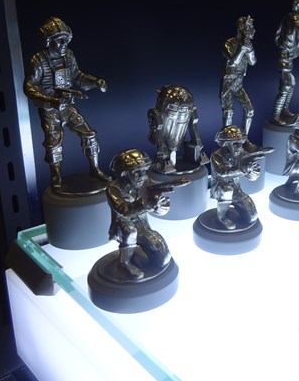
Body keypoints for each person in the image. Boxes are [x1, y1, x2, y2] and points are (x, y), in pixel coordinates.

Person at [24, 16, 110, 192]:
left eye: (66, 39)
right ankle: (55, 175)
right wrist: (49, 100)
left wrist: (95, 82)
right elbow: (29, 86)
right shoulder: (38, 60)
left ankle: (94, 169)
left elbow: (77, 76)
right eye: (59, 40)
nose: (64, 44)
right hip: (49, 109)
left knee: (89, 134)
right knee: (53, 142)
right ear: (47, 41)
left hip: (67, 106)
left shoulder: (69, 56)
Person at [106, 148, 188, 279]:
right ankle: (124, 263)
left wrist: (160, 205)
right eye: (136, 172)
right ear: (124, 173)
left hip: (142, 224)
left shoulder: (145, 181)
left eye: (144, 171)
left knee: (162, 257)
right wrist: (147, 203)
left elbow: (155, 195)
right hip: (123, 223)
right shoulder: (114, 189)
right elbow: (124, 210)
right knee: (130, 232)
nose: (142, 176)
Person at [209, 125, 263, 230]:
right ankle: (221, 217)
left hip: (236, 189)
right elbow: (223, 173)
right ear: (225, 144)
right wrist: (242, 169)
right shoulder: (216, 155)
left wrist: (253, 172)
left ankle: (232, 203)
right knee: (227, 190)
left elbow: (251, 177)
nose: (239, 146)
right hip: (220, 187)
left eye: (240, 143)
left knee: (252, 217)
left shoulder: (242, 153)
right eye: (235, 143)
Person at [272, 0, 299, 124]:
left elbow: (277, 36)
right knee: (286, 85)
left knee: (292, 82)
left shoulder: (289, 17)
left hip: (285, 57)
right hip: (285, 57)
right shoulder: (296, 21)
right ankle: (276, 116)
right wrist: (298, 52)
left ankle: (284, 110)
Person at [148, 84, 208, 174]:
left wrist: (197, 143)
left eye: (184, 110)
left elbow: (192, 122)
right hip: (163, 142)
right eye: (174, 109)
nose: (181, 114)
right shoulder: (158, 115)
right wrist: (162, 147)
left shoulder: (189, 110)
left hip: (178, 143)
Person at [220, 16, 256, 146]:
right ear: (242, 29)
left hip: (239, 83)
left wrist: (249, 49)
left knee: (249, 110)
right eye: (250, 27)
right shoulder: (229, 43)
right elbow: (233, 62)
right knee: (228, 112)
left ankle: (244, 140)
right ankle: (226, 142)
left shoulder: (248, 44)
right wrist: (242, 49)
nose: (253, 30)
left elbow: (253, 62)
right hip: (228, 82)